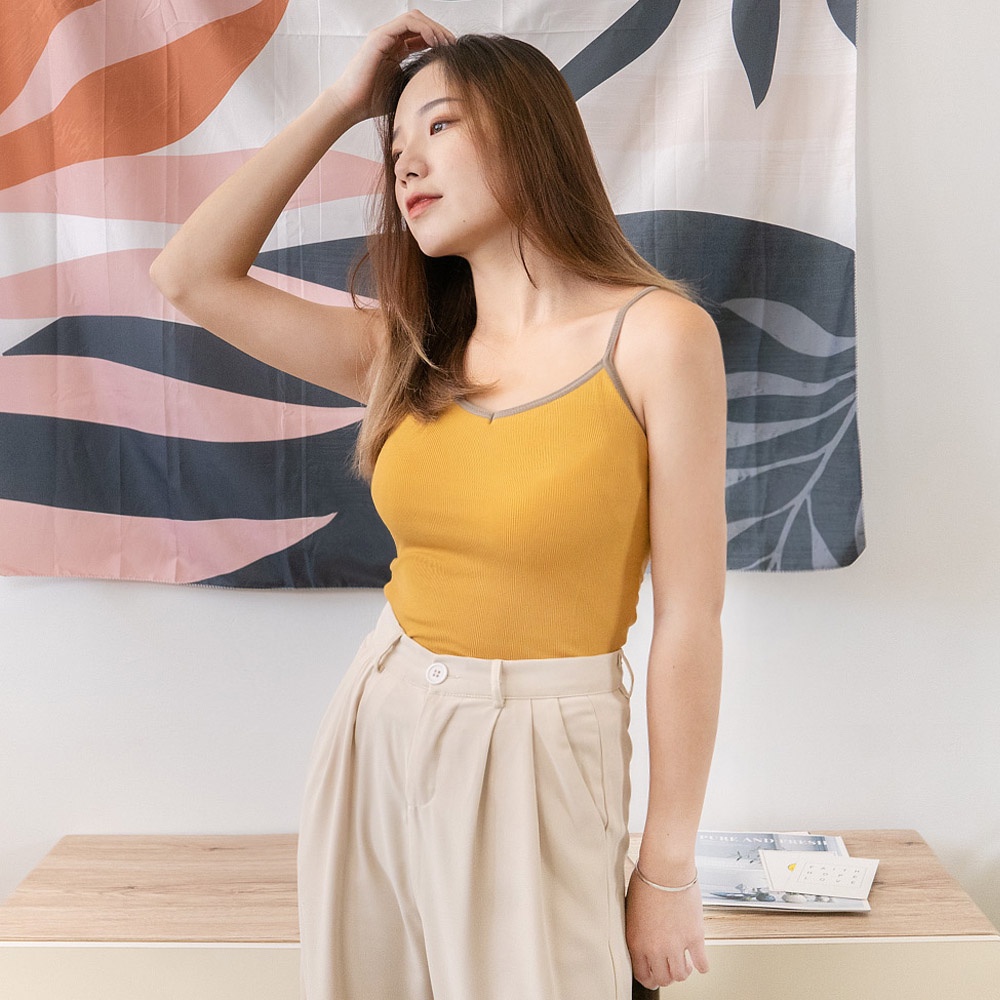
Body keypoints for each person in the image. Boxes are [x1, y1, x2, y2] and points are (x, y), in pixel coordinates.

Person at [150, 10, 727, 998]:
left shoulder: (658, 338)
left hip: (542, 747)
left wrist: (666, 869)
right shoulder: (408, 354)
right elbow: (189, 276)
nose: (407, 164)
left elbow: (691, 621)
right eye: (394, 149)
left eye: (441, 126)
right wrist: (342, 103)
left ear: (530, 135)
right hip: (380, 719)